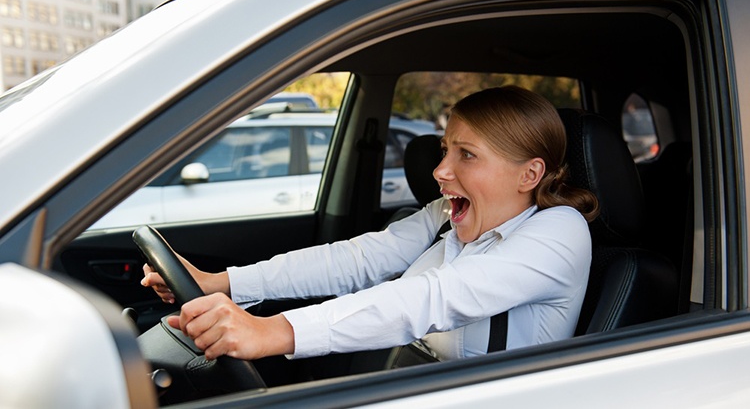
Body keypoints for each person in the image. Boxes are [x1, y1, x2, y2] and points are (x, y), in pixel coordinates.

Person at [142, 86, 599, 362]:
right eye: (445, 150)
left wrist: (272, 331)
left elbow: (431, 298)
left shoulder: (560, 232)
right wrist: (223, 283)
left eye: (467, 155)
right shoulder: (449, 216)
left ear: (530, 175)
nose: (440, 171)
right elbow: (355, 259)